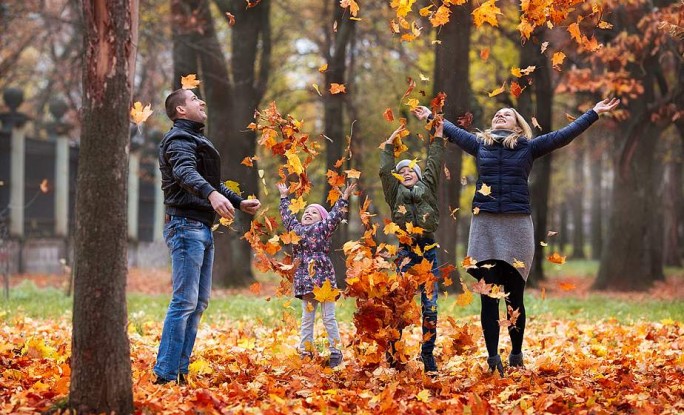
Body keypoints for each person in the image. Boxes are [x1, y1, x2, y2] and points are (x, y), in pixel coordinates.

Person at [413, 97, 619, 376]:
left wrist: (593, 113)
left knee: (514, 297)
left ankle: (516, 353)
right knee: (488, 295)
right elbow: (451, 130)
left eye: (506, 114)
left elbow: (563, 136)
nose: (500, 116)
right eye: (497, 114)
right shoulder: (480, 144)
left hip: (517, 225)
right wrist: (430, 117)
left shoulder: (528, 147)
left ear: (518, 126)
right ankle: (492, 357)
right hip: (484, 225)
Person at [153, 88, 261, 385]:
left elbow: (209, 182)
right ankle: (164, 374)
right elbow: (186, 174)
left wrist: (239, 202)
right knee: (184, 302)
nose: (202, 101)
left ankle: (179, 372)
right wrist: (212, 195)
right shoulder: (178, 139)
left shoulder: (195, 139)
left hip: (199, 227)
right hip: (185, 226)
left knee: (198, 303)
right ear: (181, 111)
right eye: (193, 99)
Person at [378, 117, 446, 373]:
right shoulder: (395, 194)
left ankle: (427, 355)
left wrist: (438, 137)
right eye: (402, 171)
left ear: (419, 177)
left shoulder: (427, 187)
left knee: (430, 306)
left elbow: (434, 164)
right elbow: (385, 172)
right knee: (399, 304)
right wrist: (388, 145)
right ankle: (394, 354)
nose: (406, 173)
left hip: (428, 251)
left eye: (411, 171)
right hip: (405, 253)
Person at [277, 181, 356, 368]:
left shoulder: (322, 229)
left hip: (324, 280)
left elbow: (335, 216)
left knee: (329, 317)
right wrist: (283, 197)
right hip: (305, 280)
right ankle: (305, 351)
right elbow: (287, 217)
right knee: (307, 317)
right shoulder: (296, 230)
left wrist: (343, 198)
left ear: (321, 219)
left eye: (314, 212)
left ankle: (336, 352)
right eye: (306, 211)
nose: (308, 213)